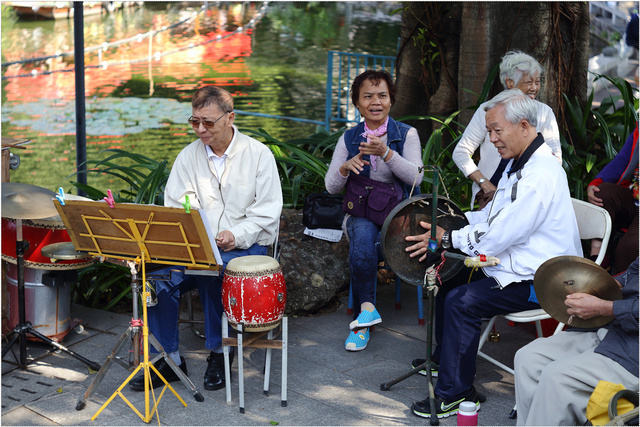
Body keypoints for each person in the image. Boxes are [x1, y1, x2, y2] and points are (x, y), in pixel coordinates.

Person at [404, 89, 582, 419]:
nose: (492, 139)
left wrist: (449, 237)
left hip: (541, 281)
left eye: (497, 130)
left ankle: (454, 393)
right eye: (488, 131)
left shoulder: (539, 174)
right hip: (518, 262)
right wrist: (452, 223)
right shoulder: (519, 164)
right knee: (448, 280)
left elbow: (500, 234)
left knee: (462, 302)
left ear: (524, 126)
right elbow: (493, 218)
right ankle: (446, 362)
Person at [129, 86, 283, 392]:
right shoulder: (187, 157)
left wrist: (235, 235)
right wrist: (197, 238)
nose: (200, 129)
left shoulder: (258, 155)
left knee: (214, 273)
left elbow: (268, 213)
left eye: (208, 122)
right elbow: (176, 208)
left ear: (230, 118)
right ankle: (169, 358)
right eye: (194, 121)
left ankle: (219, 352)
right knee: (155, 276)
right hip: (195, 249)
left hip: (245, 248)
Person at [325, 69, 424, 352]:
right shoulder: (349, 138)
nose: (375, 101)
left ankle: (364, 313)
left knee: (364, 243)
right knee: (363, 231)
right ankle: (366, 313)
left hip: (400, 216)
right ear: (357, 103)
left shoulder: (406, 134)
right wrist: (345, 168)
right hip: (363, 213)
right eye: (367, 96)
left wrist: (387, 153)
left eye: (382, 95)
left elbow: (416, 177)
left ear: (391, 100)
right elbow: (332, 187)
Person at [514, 257, 639, 426]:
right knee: (529, 358)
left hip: (633, 351)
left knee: (557, 376)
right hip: (616, 331)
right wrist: (603, 286)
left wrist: (606, 307)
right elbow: (632, 274)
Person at [452, 50, 562, 210]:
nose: (534, 88)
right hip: (489, 193)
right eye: (528, 82)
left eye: (537, 82)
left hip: (527, 195)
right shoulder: (488, 110)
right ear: (509, 82)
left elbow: (555, 160)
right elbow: (461, 153)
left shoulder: (544, 113)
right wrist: (485, 184)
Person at [586, 124, 638, 275]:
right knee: (601, 193)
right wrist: (596, 183)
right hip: (633, 197)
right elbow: (622, 160)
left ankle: (619, 289)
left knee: (629, 246)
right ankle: (598, 258)